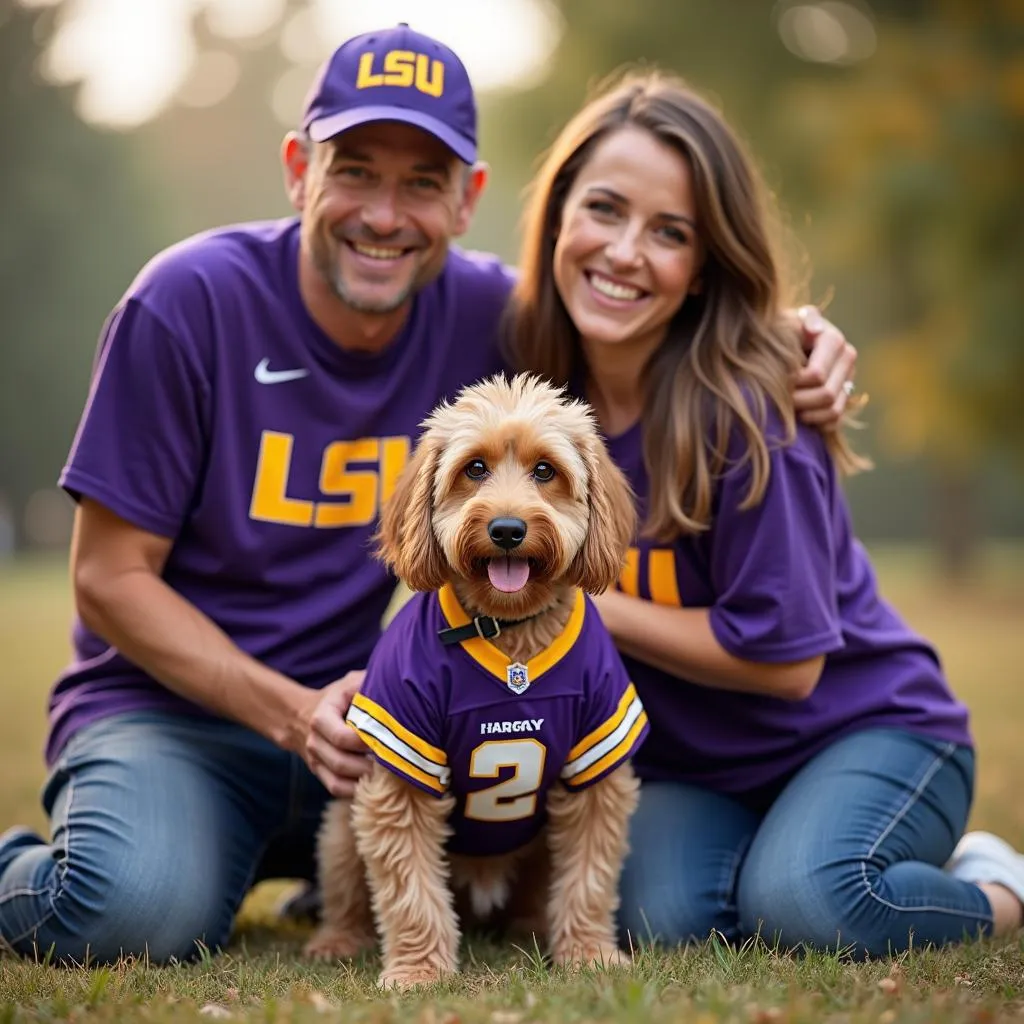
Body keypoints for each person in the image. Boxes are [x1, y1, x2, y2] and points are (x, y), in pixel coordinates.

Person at [0, 26, 856, 966]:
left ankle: (239, 868)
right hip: (184, 719)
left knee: (607, 883)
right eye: (355, 169)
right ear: (298, 169)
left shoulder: (501, 319)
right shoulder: (184, 304)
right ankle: (134, 850)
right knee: (130, 916)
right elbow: (108, 579)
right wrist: (291, 714)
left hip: (403, 734)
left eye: (422, 182)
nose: (383, 215)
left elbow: (631, 298)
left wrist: (776, 333)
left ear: (467, 200)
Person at [504, 69, 1024, 959]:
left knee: (813, 907)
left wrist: (575, 601)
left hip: (869, 729)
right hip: (704, 770)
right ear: (556, 217)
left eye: (670, 233)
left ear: (704, 268)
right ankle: (778, 857)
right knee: (662, 923)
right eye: (603, 209)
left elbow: (785, 667)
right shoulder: (533, 394)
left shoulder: (754, 412)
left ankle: (999, 882)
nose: (626, 252)